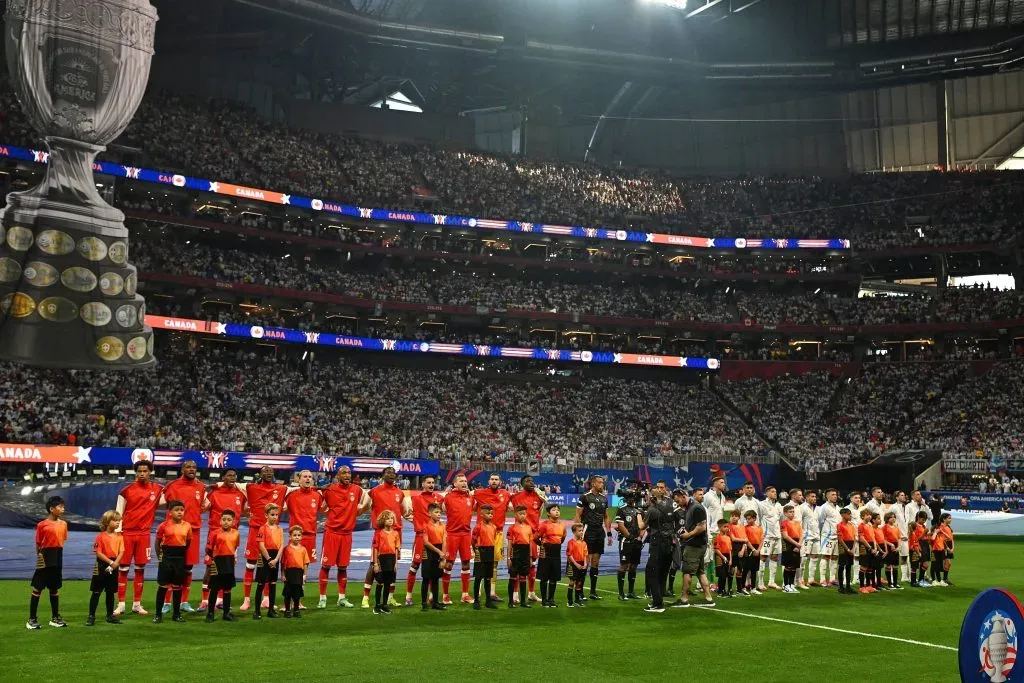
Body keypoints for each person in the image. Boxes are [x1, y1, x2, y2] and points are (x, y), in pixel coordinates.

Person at [234, 465, 287, 612]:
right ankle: (246, 600)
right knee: (250, 565)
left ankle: (266, 599)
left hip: (272, 532)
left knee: (269, 565)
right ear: (260, 474)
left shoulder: (281, 489)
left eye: (271, 471)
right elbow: (231, 483)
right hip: (255, 530)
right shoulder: (250, 487)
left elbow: (298, 488)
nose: (269, 473)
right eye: (266, 471)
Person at [114, 460, 163, 616]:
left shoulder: (157, 490)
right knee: (123, 569)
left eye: (145, 471)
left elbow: (173, 496)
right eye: (139, 471)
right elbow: (118, 513)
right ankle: (121, 604)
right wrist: (117, 533)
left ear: (150, 472)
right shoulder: (126, 491)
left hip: (144, 535)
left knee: (140, 569)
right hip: (126, 534)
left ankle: (137, 604)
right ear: (136, 472)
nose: (142, 473)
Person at [320, 466, 370, 609]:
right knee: (326, 565)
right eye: (344, 473)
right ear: (338, 475)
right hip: (332, 533)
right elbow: (319, 505)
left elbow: (368, 503)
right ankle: (322, 598)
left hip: (347, 534)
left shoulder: (357, 490)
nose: (347, 475)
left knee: (343, 567)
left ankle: (342, 598)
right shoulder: (329, 489)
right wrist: (329, 515)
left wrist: (356, 513)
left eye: (349, 473)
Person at [159, 460, 206, 613]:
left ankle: (183, 602)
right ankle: (167, 602)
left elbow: (202, 506)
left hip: (193, 531)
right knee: (171, 567)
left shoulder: (201, 486)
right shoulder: (172, 486)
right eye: (188, 467)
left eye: (194, 467)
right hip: (174, 532)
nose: (192, 469)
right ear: (182, 469)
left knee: (187, 568)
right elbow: (163, 504)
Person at [362, 467, 411, 609]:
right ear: (383, 476)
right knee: (374, 564)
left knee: (393, 565)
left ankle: (390, 597)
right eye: (388, 473)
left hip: (396, 533)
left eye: (393, 473)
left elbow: (404, 512)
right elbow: (363, 507)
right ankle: (365, 597)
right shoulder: (374, 491)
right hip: (381, 533)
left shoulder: (399, 493)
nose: (391, 475)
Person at [199, 469, 246, 611]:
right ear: (223, 477)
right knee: (210, 568)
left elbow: (245, 509)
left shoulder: (240, 494)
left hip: (232, 536)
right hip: (215, 535)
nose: (232, 477)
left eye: (234, 475)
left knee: (227, 569)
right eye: (229, 475)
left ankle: (220, 600)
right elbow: (202, 507)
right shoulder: (214, 493)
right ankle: (204, 601)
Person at [28, 496, 68, 630]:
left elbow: (62, 541)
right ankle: (32, 619)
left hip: (58, 556)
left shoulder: (64, 524)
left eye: (63, 506)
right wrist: (39, 558)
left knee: (54, 588)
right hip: (45, 557)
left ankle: (55, 617)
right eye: (60, 507)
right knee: (38, 588)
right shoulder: (42, 525)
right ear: (52, 509)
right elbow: (38, 544)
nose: (63, 509)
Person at [284, 469, 322, 609]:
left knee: (303, 572)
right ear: (298, 479)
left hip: (310, 537)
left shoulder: (317, 496)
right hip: (295, 538)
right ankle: (287, 602)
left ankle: (298, 601)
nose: (307, 479)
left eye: (310, 477)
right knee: (290, 570)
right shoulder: (291, 495)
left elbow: (323, 510)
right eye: (305, 477)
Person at [404, 474, 444, 607]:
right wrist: (413, 521)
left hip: (435, 538)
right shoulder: (415, 498)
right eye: (428, 482)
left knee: (433, 569)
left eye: (433, 482)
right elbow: (404, 511)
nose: (431, 485)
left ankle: (433, 597)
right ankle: (408, 596)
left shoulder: (439, 498)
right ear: (423, 484)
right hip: (421, 537)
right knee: (415, 566)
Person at [474, 474, 513, 601]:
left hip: (498, 533)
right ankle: (478, 592)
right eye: (492, 479)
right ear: (488, 481)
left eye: (496, 479)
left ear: (500, 482)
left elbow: (514, 505)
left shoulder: (506, 494)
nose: (494, 481)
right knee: (481, 563)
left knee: (494, 563)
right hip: (483, 533)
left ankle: (491, 592)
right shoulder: (479, 493)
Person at [637, 480, 674, 612]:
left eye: (661, 487)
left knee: (652, 572)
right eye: (657, 487)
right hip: (669, 543)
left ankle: (657, 603)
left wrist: (638, 515)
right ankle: (660, 598)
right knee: (663, 572)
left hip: (657, 542)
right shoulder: (671, 505)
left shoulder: (652, 509)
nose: (659, 489)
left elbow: (642, 526)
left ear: (665, 489)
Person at [153, 500, 192, 622]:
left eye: (181, 510)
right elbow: (157, 542)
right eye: (177, 510)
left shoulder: (187, 526)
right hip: (166, 558)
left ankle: (176, 614)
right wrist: (160, 555)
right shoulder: (163, 526)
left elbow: (188, 542)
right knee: (163, 586)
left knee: (177, 586)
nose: (180, 512)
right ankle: (158, 615)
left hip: (180, 559)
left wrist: (181, 553)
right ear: (170, 512)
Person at [574, 475, 612, 600]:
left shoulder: (604, 499)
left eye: (602, 482)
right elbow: (578, 515)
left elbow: (606, 516)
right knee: (585, 562)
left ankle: (593, 592)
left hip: (599, 532)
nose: (602, 484)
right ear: (593, 484)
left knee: (595, 562)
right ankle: (579, 592)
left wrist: (609, 533)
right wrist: (578, 532)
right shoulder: (585, 497)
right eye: (600, 482)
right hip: (587, 530)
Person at [676, 488, 716, 608]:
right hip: (699, 544)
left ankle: (684, 599)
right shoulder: (691, 507)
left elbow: (702, 527)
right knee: (700, 572)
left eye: (678, 501)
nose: (678, 504)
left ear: (683, 496)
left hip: (694, 545)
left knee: (687, 571)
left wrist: (687, 535)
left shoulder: (696, 507)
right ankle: (709, 599)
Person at [510, 475, 546, 603]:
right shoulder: (515, 497)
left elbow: (544, 509)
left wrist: (542, 495)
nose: (531, 483)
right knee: (517, 566)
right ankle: (514, 594)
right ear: (521, 483)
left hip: (533, 536)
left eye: (532, 481)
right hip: (519, 536)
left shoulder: (538, 497)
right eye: (527, 481)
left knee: (532, 564)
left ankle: (531, 593)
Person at [441, 473, 474, 605]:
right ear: (455, 484)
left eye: (465, 481)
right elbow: (437, 506)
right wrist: (444, 493)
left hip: (466, 535)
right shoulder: (448, 497)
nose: (464, 483)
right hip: (452, 534)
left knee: (466, 563)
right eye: (461, 481)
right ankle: (445, 595)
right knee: (448, 564)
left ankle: (465, 595)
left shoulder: (470, 498)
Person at [87, 510, 124, 626]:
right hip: (101, 565)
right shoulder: (100, 537)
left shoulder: (120, 537)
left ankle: (110, 615)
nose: (118, 523)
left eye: (119, 521)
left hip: (114, 566)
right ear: (107, 522)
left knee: (110, 592)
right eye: (115, 521)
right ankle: (91, 616)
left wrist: (116, 563)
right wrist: (110, 562)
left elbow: (122, 551)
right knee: (96, 591)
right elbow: (98, 552)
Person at [205, 509, 241, 622]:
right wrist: (214, 560)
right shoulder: (214, 533)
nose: (226, 522)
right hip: (217, 562)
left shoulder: (236, 533)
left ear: (233, 521)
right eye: (224, 519)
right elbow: (208, 549)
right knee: (214, 589)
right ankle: (210, 613)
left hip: (229, 562)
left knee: (227, 589)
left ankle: (226, 613)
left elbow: (235, 547)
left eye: (229, 520)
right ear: (220, 520)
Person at [253, 503, 285, 619]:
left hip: (275, 557)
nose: (275, 517)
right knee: (261, 584)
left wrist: (276, 559)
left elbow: (281, 545)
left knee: (273, 584)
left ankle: (271, 610)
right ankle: (257, 611)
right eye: (272, 514)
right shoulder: (262, 528)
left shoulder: (280, 529)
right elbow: (261, 545)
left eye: (276, 514)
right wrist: (269, 559)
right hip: (265, 557)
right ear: (266, 515)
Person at [614, 488, 643, 600]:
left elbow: (643, 525)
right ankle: (621, 593)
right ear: (626, 498)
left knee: (634, 566)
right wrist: (630, 537)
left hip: (636, 542)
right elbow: (621, 526)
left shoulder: (639, 510)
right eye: (630, 497)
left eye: (633, 497)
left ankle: (631, 592)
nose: (632, 499)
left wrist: (640, 537)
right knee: (624, 565)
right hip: (626, 542)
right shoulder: (621, 510)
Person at [536, 504, 566, 607]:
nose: (557, 511)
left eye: (558, 510)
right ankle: (544, 600)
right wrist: (542, 545)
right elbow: (536, 537)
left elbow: (562, 539)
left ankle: (551, 599)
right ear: (548, 513)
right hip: (545, 553)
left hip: (556, 552)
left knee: (554, 577)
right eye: (554, 510)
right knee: (544, 577)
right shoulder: (544, 525)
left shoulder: (562, 525)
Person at [371, 510, 400, 615]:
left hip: (391, 559)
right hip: (381, 559)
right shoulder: (379, 533)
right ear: (383, 520)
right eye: (388, 518)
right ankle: (377, 606)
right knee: (380, 582)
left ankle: (384, 605)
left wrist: (396, 563)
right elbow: (375, 549)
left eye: (392, 518)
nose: (390, 520)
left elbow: (396, 549)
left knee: (388, 583)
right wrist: (375, 563)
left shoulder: (396, 533)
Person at [420, 503, 447, 611]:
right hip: (429, 552)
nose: (439, 514)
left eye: (440, 512)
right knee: (426, 578)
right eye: (436, 512)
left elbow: (445, 541)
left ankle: (435, 602)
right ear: (429, 513)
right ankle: (424, 603)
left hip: (439, 551)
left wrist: (443, 556)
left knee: (435, 579)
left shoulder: (443, 526)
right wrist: (439, 552)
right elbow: (426, 542)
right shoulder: (426, 526)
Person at [471, 504, 498, 609]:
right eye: (488, 513)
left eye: (491, 513)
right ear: (482, 514)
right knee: (478, 577)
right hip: (481, 551)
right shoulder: (478, 527)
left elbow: (493, 539)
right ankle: (476, 601)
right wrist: (476, 551)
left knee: (488, 577)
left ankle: (488, 601)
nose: (490, 515)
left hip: (490, 551)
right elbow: (473, 541)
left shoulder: (494, 527)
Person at [506, 506, 533, 609]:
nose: (523, 516)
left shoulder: (528, 527)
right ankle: (510, 601)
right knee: (513, 577)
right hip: (516, 553)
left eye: (524, 514)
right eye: (521, 514)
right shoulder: (512, 528)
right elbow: (509, 544)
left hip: (525, 554)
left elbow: (530, 543)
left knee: (523, 578)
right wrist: (508, 558)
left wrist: (530, 557)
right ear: (516, 515)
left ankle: (523, 601)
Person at [702, 477, 727, 589]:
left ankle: (708, 582)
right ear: (715, 484)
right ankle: (705, 583)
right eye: (721, 482)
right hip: (710, 531)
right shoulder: (707, 496)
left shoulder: (722, 496)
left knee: (716, 559)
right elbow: (703, 512)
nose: (724, 484)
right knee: (708, 558)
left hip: (719, 532)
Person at [281, 525, 311, 618]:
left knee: (297, 593)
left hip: (299, 573)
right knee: (288, 593)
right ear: (290, 536)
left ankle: (296, 610)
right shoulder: (286, 549)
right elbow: (282, 563)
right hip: (289, 573)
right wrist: (282, 575)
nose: (297, 537)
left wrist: (304, 575)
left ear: (301, 536)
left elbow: (306, 563)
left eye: (299, 535)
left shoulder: (303, 549)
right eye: (294, 535)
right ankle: (287, 610)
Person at [757, 486, 783, 591]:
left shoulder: (778, 505)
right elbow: (758, 518)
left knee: (774, 558)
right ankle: (760, 582)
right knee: (763, 558)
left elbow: (780, 520)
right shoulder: (762, 505)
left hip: (777, 536)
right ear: (766, 493)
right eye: (772, 491)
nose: (775, 493)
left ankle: (772, 581)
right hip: (767, 537)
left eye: (775, 491)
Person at [818, 488, 842, 587]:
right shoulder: (824, 507)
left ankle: (832, 578)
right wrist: (824, 532)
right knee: (825, 556)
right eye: (832, 495)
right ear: (827, 496)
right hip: (827, 536)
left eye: (835, 494)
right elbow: (820, 521)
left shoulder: (838, 508)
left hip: (837, 537)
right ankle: (822, 579)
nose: (835, 496)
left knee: (835, 557)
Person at [797, 490, 819, 588]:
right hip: (806, 537)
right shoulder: (802, 508)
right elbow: (798, 522)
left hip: (816, 537)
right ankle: (800, 580)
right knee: (803, 559)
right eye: (812, 496)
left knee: (814, 558)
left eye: (815, 496)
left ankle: (811, 579)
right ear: (806, 497)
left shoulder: (817, 508)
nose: (814, 498)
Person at [780, 504, 802, 593]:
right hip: (788, 544)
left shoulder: (797, 523)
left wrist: (799, 544)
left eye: (793, 511)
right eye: (790, 512)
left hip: (797, 544)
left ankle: (792, 584)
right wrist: (797, 544)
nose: (792, 513)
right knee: (788, 566)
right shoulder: (784, 523)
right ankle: (786, 585)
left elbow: (801, 534)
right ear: (785, 513)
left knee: (794, 566)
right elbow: (785, 536)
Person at [727, 510, 749, 595]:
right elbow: (733, 539)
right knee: (731, 569)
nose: (733, 517)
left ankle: (739, 589)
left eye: (735, 516)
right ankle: (729, 589)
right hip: (733, 550)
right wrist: (744, 540)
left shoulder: (742, 527)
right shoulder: (729, 526)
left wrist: (742, 550)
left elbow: (746, 541)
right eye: (732, 516)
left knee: (740, 570)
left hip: (741, 550)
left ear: (739, 517)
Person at [565, 523, 589, 608]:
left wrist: (585, 563)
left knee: (579, 582)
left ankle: (577, 600)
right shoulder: (571, 542)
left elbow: (585, 554)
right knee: (572, 581)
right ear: (574, 532)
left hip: (581, 564)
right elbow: (569, 555)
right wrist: (575, 564)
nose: (582, 532)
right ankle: (569, 601)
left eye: (582, 530)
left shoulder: (584, 543)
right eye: (579, 531)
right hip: (573, 564)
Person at [891, 491, 911, 586]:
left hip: (906, 536)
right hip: (897, 537)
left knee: (905, 556)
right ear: (896, 497)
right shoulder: (893, 507)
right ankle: (891, 577)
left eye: (904, 495)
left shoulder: (906, 507)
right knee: (893, 558)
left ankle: (904, 576)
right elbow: (888, 519)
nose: (904, 496)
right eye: (901, 495)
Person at [908, 510, 931, 587]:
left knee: (925, 564)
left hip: (925, 545)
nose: (924, 521)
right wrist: (924, 533)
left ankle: (921, 580)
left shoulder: (923, 526)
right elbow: (915, 539)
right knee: (915, 565)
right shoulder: (915, 526)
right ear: (918, 518)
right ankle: (913, 581)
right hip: (918, 546)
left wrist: (928, 535)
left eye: (925, 520)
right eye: (922, 519)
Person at [742, 510, 763, 595]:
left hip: (757, 549)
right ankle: (742, 587)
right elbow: (746, 540)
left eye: (749, 519)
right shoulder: (745, 528)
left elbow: (762, 540)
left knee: (754, 570)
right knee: (746, 569)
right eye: (747, 519)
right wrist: (753, 549)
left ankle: (753, 587)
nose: (748, 521)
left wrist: (758, 550)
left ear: (754, 518)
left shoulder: (759, 528)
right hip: (750, 549)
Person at [856, 509, 876, 594]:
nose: (869, 516)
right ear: (863, 516)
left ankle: (868, 586)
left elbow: (873, 537)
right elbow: (861, 538)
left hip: (871, 546)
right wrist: (870, 548)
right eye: (867, 514)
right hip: (865, 546)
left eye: (870, 515)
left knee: (870, 567)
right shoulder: (861, 525)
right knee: (864, 566)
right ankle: (861, 586)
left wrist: (874, 547)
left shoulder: (870, 525)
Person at [836, 507, 856, 594]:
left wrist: (853, 548)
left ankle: (848, 586)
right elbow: (840, 539)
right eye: (848, 514)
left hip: (851, 545)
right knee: (842, 565)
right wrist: (848, 549)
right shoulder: (839, 525)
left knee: (849, 566)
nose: (850, 515)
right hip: (843, 546)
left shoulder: (851, 525)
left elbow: (854, 537)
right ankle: (841, 587)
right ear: (843, 515)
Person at [931, 513, 954, 586]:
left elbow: (951, 538)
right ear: (944, 519)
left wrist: (953, 547)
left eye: (950, 518)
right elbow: (942, 539)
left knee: (947, 564)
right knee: (944, 563)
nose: (950, 519)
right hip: (942, 547)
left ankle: (943, 579)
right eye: (949, 518)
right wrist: (946, 548)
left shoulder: (949, 527)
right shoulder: (941, 527)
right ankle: (940, 579)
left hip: (948, 546)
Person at [713, 519, 733, 598]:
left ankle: (723, 590)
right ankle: (720, 591)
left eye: (727, 527)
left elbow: (730, 550)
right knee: (722, 575)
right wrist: (723, 557)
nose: (727, 528)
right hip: (720, 557)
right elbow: (716, 549)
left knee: (726, 574)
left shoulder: (728, 537)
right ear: (719, 527)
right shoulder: (718, 537)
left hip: (727, 556)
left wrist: (730, 559)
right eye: (725, 527)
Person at [882, 512, 902, 590]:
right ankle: (890, 583)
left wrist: (899, 547)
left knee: (895, 565)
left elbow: (899, 538)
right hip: (888, 547)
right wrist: (890, 544)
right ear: (887, 519)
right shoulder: (884, 527)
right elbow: (883, 539)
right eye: (891, 517)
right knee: (888, 565)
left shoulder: (896, 527)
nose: (893, 518)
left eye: (894, 517)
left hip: (896, 546)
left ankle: (895, 583)